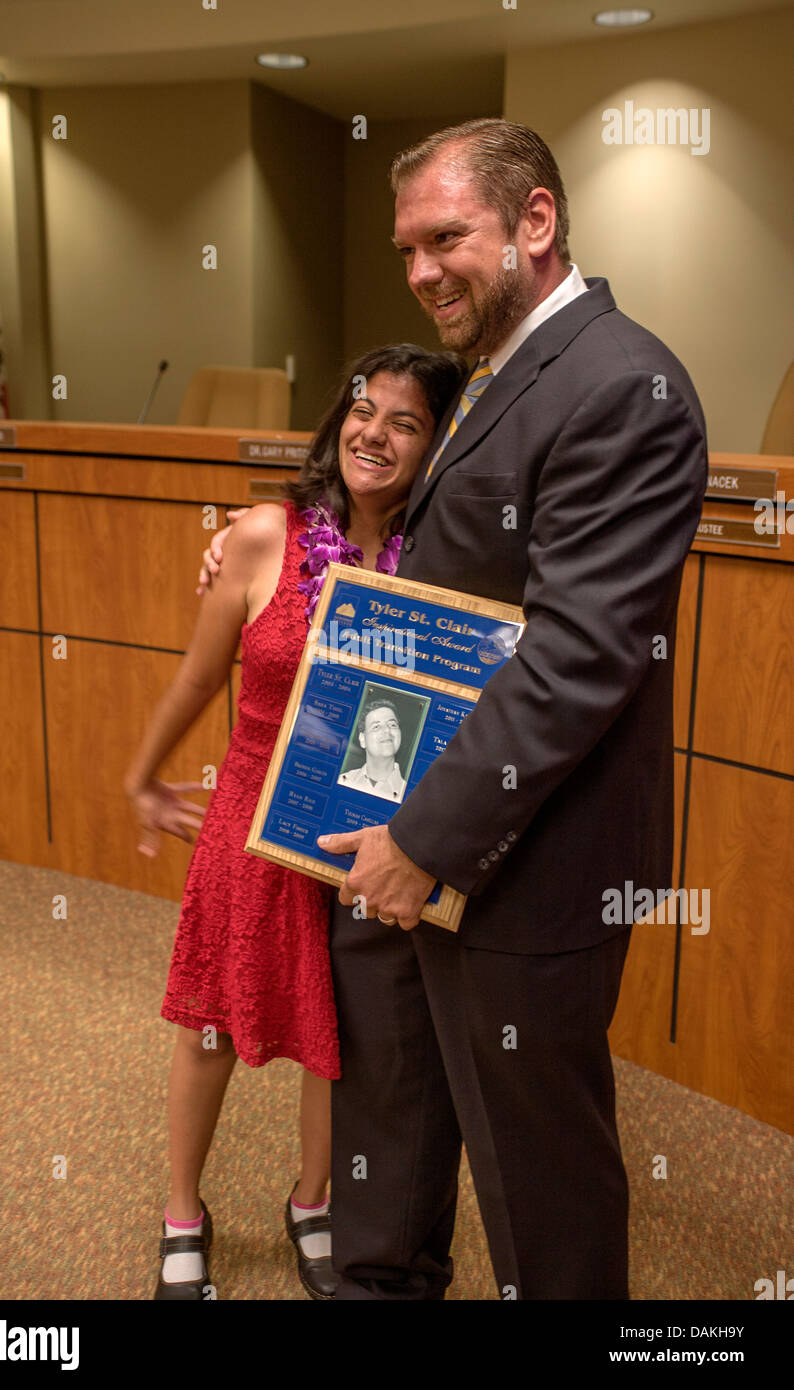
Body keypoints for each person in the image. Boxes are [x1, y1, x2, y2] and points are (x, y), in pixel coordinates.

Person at [202, 117, 708, 1299]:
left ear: (534, 220)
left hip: (519, 866)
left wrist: (422, 840)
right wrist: (258, 535)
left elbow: (578, 657)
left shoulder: (620, 384)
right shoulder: (484, 376)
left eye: (445, 237)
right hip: (396, 852)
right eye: (407, 248)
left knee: (538, 1187)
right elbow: (426, 554)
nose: (421, 268)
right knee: (394, 1140)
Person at [124, 343, 463, 1301]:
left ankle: (315, 1199)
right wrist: (142, 777)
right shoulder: (265, 534)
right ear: (336, 419)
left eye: (407, 422)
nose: (376, 433)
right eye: (364, 410)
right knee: (214, 1024)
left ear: (435, 447)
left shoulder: (436, 557)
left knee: (337, 1036)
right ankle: (182, 1210)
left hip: (358, 829)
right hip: (248, 815)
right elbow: (199, 677)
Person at [337, 698, 406, 801]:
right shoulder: (342, 780)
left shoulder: (409, 794)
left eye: (392, 725)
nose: (387, 730)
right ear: (362, 739)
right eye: (376, 727)